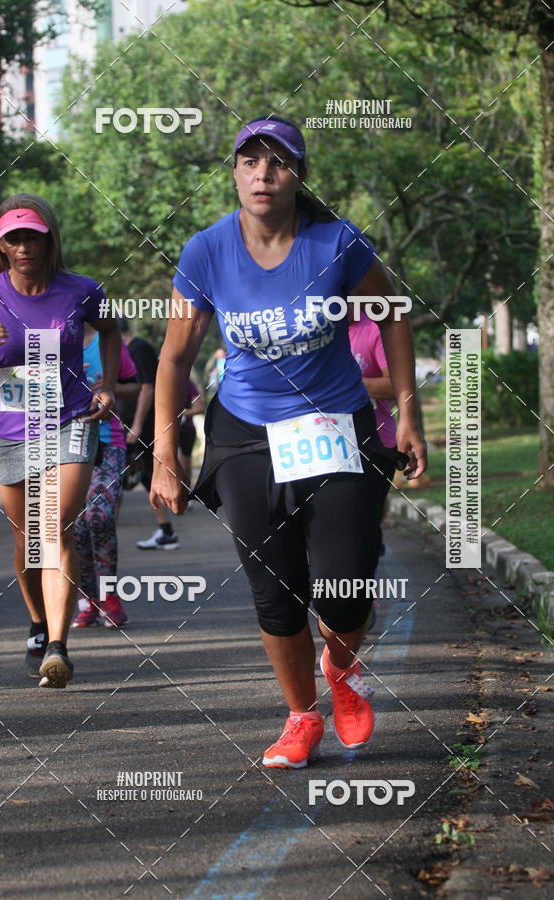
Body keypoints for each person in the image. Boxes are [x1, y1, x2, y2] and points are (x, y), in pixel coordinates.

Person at [150, 115, 427, 769]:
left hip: (334, 426)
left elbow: (394, 319)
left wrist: (409, 415)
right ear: (235, 172)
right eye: (250, 161)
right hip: (246, 433)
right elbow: (172, 359)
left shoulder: (336, 244)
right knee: (275, 587)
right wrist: (166, 454)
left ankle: (341, 665)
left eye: (277, 162)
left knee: (344, 587)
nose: (262, 174)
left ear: (298, 174)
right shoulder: (206, 251)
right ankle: (301, 716)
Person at [0, 194, 120, 688]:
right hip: (10, 433)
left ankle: (57, 645)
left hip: (69, 420)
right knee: (28, 542)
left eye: (33, 236)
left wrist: (107, 382)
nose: (24, 246)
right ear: (1, 245)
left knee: (54, 528)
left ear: (49, 240)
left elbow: (111, 332)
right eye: (14, 238)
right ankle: (37, 623)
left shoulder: (83, 290)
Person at [72, 323, 139, 628]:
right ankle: (88, 599)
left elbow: (133, 385)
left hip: (107, 442)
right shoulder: (51, 339)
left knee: (98, 516)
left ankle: (108, 595)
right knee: (73, 526)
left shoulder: (107, 340)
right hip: (64, 444)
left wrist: (106, 388)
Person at [118, 319, 180, 550]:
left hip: (144, 426)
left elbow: (147, 387)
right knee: (132, 477)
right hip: (129, 425)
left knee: (141, 475)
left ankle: (167, 530)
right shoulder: (125, 350)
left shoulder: (138, 348)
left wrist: (137, 425)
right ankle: (166, 530)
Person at [348, 308, 397, 565]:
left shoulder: (373, 329)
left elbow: (396, 385)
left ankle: (362, 595)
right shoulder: (310, 330)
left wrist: (348, 381)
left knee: (364, 523)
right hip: (327, 446)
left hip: (376, 444)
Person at [178, 377, 205, 488]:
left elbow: (200, 407)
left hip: (186, 430)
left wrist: (182, 413)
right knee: (175, 461)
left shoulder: (187, 383)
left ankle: (185, 493)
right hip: (167, 431)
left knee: (185, 465)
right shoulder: (157, 381)